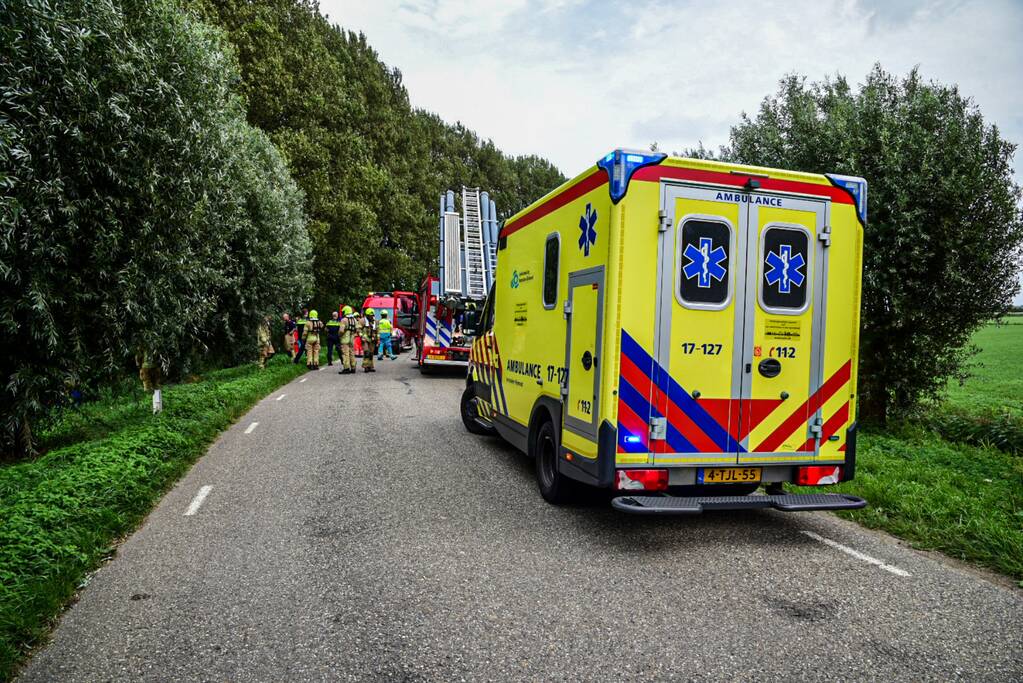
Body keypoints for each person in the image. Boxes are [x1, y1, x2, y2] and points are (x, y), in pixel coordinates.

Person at [338, 305, 358, 374]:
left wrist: (339, 336)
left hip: (345, 339)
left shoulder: (344, 320)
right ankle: (353, 367)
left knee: (345, 353)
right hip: (352, 338)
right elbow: (357, 329)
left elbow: (341, 331)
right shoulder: (354, 319)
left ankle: (346, 368)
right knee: (352, 353)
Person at [360, 308, 379, 373]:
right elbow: (358, 329)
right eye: (370, 315)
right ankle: (365, 367)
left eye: (372, 315)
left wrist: (378, 339)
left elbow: (377, 331)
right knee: (366, 352)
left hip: (373, 339)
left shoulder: (375, 322)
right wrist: (361, 335)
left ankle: (370, 366)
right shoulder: (362, 321)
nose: (371, 317)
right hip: (365, 339)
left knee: (371, 353)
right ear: (367, 315)